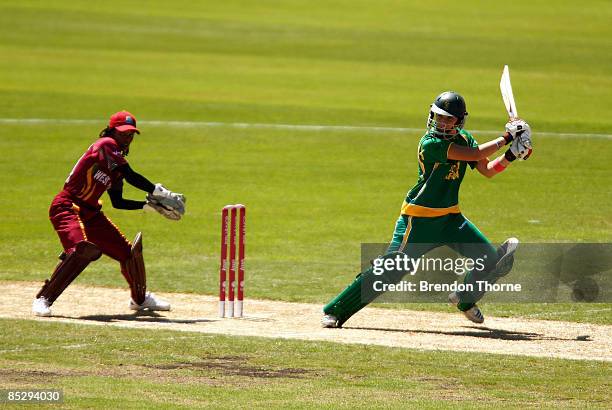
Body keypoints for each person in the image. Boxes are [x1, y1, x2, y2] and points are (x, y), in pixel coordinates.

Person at [321, 91, 532, 327]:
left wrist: (512, 154)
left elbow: (488, 170)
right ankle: (336, 311)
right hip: (418, 220)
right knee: (392, 269)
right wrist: (506, 137)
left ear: (459, 121)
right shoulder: (430, 143)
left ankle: (464, 298)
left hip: (451, 219)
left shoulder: (464, 139)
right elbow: (474, 155)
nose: (441, 122)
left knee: (489, 259)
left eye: (448, 119)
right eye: (438, 116)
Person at [32, 111, 186, 317]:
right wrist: (160, 192)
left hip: (91, 213)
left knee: (128, 254)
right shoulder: (105, 145)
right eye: (123, 133)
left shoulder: (115, 166)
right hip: (67, 206)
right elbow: (132, 176)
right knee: (81, 250)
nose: (127, 138)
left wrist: (148, 206)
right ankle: (44, 299)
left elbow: (118, 202)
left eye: (131, 134)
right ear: (112, 131)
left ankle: (139, 300)